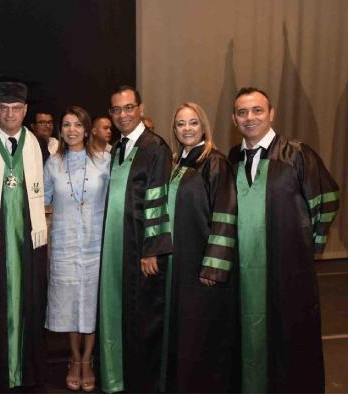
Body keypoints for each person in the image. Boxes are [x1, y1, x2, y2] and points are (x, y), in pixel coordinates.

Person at [228, 87, 339, 393]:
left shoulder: (297, 153)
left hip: (287, 270)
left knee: (289, 337)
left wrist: (310, 248)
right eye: (242, 112)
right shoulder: (233, 157)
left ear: (272, 113)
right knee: (248, 334)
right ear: (233, 119)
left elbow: (327, 199)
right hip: (244, 270)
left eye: (257, 110)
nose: (250, 118)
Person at [99, 85, 173, 393]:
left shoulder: (155, 147)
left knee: (143, 316)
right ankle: (120, 378)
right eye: (116, 109)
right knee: (119, 311)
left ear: (141, 108)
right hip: (115, 247)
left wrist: (151, 249)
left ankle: (144, 384)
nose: (123, 114)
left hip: (139, 248)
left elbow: (159, 198)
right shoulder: (119, 147)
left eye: (129, 107)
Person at [160, 102, 238, 392]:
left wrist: (214, 264)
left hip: (202, 263)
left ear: (203, 126)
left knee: (201, 331)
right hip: (178, 261)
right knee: (183, 329)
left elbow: (225, 213)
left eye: (193, 122)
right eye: (181, 124)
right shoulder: (177, 163)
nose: (187, 129)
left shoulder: (214, 162)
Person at [0, 81, 48, 391]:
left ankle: (26, 369)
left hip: (28, 239)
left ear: (25, 110)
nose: (10, 114)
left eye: (16, 108)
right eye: (4, 108)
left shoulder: (39, 146)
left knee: (28, 299)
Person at [44, 106, 110, 392]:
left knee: (92, 301)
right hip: (64, 243)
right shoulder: (53, 163)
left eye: (77, 125)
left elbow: (113, 201)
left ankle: (88, 360)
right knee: (71, 303)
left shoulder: (105, 160)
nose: (72, 130)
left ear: (87, 129)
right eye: (66, 124)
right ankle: (73, 359)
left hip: (96, 243)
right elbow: (44, 201)